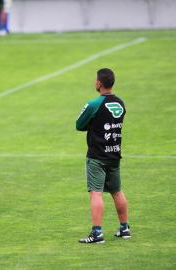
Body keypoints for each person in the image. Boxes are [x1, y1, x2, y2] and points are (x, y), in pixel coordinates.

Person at [75, 68, 130, 244]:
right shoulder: (121, 103)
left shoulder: (93, 104)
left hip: (97, 156)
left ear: (99, 83)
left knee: (96, 194)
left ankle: (97, 233)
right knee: (117, 191)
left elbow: (79, 124)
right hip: (114, 154)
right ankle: (124, 228)